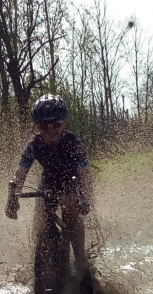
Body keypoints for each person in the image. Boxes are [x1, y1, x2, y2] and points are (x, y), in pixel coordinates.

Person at [5, 94, 92, 271]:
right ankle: (41, 265)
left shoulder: (73, 143)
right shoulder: (33, 145)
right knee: (40, 221)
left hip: (71, 181)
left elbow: (85, 175)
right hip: (48, 182)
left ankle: (80, 258)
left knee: (70, 212)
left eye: (56, 125)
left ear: (64, 124)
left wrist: (85, 198)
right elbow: (20, 174)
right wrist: (12, 199)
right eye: (44, 126)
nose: (50, 130)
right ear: (37, 127)